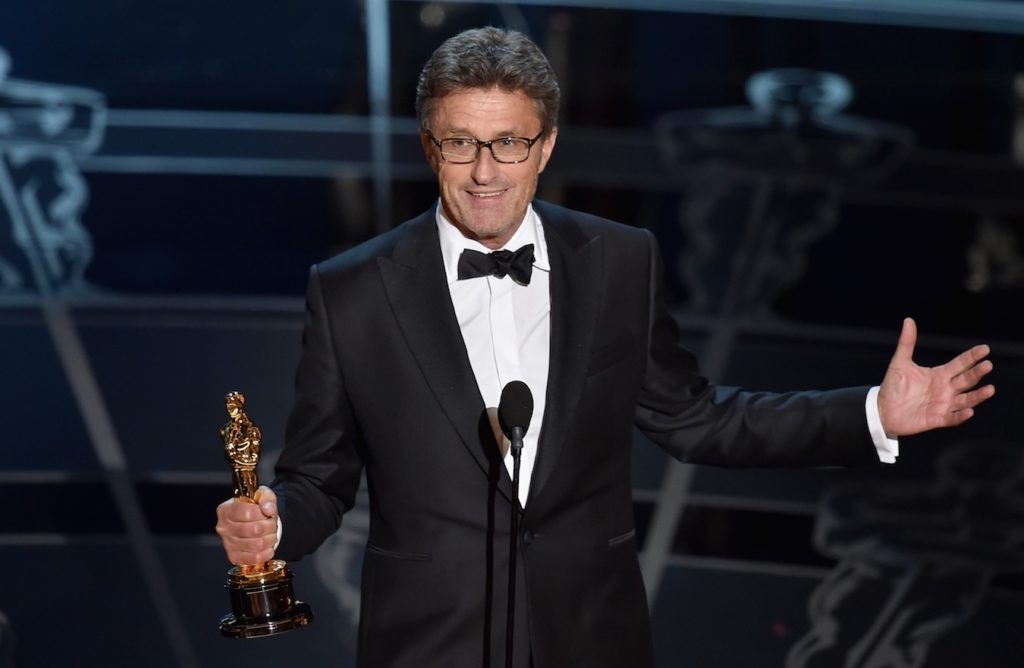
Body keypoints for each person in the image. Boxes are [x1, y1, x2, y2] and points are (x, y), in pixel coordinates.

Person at [215, 26, 995, 668]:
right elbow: (320, 475)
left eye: (509, 144)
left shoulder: (622, 261)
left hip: (590, 637)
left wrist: (871, 415)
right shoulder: (351, 288)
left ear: (546, 147)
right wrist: (275, 522)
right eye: (462, 144)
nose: (486, 172)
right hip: (426, 643)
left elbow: (700, 421)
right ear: (429, 147)